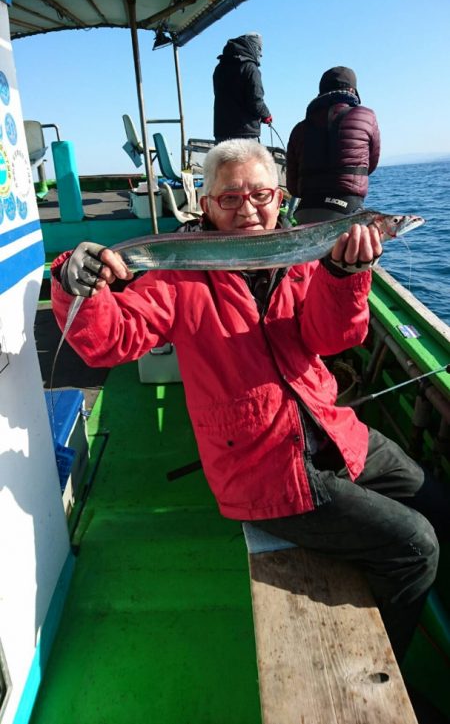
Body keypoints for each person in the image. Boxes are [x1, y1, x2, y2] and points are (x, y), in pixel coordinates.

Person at [51, 139, 448, 663]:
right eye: (230, 199)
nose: (248, 210)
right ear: (207, 206)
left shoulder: (307, 252)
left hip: (332, 430)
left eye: (260, 195)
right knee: (415, 545)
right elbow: (110, 341)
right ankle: (383, 672)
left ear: (280, 197)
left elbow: (332, 340)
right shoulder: (179, 272)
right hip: (262, 467)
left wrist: (346, 274)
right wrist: (73, 281)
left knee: (439, 504)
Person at [286, 66, 381, 223]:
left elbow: (293, 187)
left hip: (305, 210)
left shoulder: (299, 128)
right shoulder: (366, 116)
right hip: (347, 208)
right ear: (352, 90)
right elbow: (371, 164)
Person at [213, 33, 272, 143]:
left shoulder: (220, 68)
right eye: (259, 49)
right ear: (253, 47)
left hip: (222, 134)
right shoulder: (250, 68)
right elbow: (256, 101)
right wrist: (266, 114)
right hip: (245, 134)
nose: (261, 53)